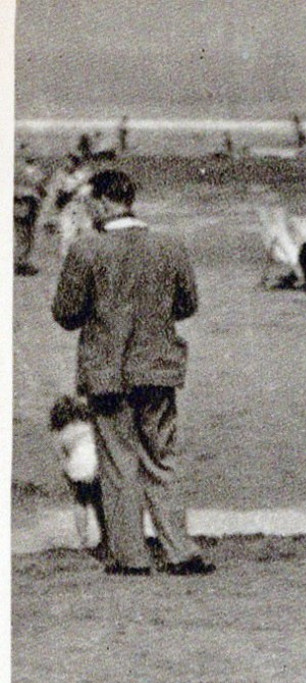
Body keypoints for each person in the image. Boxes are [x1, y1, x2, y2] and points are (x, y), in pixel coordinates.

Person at [51, 168, 213, 576]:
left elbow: (66, 314)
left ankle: (130, 555)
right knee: (161, 460)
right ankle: (180, 550)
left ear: (104, 202)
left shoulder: (87, 249)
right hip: (158, 367)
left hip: (107, 371)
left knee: (118, 464)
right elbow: (187, 305)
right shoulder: (169, 245)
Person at [49, 394, 105, 552]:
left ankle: (83, 539)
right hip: (94, 466)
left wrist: (68, 476)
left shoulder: (60, 434)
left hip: (76, 469)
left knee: (80, 502)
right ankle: (105, 537)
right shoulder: (88, 425)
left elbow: (62, 459)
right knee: (98, 503)